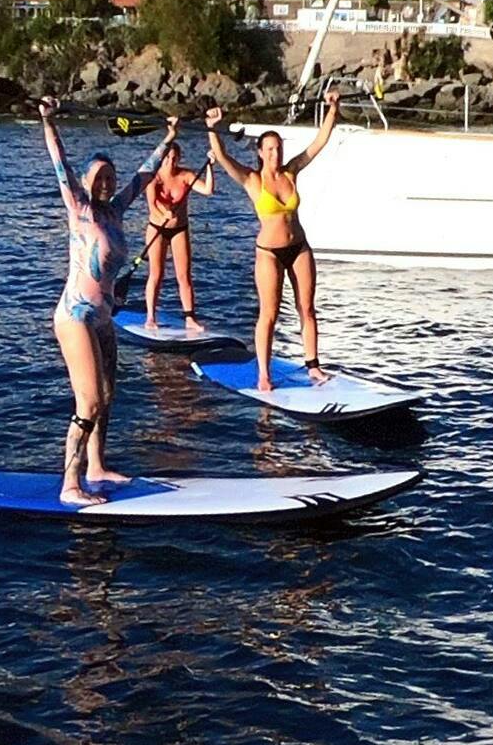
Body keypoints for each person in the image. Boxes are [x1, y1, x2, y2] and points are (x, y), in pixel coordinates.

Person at [36, 95, 171, 505]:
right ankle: (70, 484)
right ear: (87, 182)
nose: (106, 184)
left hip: (102, 318)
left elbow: (145, 176)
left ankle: (96, 465)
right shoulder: (79, 208)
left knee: (108, 398)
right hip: (75, 315)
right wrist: (49, 121)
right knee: (89, 400)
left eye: (110, 178)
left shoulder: (115, 211)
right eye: (98, 178)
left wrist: (169, 136)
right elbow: (59, 163)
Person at [201, 88, 343, 392]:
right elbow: (224, 158)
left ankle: (313, 367)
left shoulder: (291, 172)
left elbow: (318, 143)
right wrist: (212, 127)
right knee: (269, 313)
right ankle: (263, 374)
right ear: (260, 152)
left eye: (278, 148)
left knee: (307, 307)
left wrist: (332, 109)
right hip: (269, 253)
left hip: (299, 247)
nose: (275, 154)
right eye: (270, 149)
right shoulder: (252, 180)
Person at [136, 120, 215, 331]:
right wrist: (165, 213)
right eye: (167, 158)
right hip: (157, 229)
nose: (171, 161)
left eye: (174, 158)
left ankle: (190, 317)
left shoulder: (185, 175)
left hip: (180, 229)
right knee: (157, 274)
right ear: (161, 159)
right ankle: (151, 317)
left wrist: (210, 167)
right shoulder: (153, 179)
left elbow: (207, 190)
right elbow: (152, 205)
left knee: (184, 275)